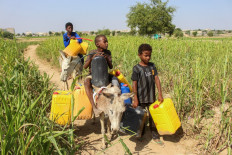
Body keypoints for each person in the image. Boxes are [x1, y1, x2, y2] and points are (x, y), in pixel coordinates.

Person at [131, 43, 164, 146]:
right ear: (139, 55)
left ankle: (155, 135)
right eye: (146, 55)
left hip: (151, 97)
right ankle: (140, 134)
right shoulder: (136, 68)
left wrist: (160, 94)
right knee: (141, 117)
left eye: (149, 55)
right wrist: (135, 98)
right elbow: (134, 83)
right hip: (140, 98)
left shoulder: (152, 66)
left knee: (153, 117)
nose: (148, 57)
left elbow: (156, 79)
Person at [84, 35, 118, 116]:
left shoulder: (108, 52)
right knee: (86, 82)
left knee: (116, 81)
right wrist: (92, 58)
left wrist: (106, 58)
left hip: (105, 75)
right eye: (105, 41)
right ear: (98, 44)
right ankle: (94, 108)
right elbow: (85, 66)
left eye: (107, 41)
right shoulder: (92, 52)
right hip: (93, 75)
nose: (107, 43)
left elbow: (110, 67)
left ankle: (116, 104)